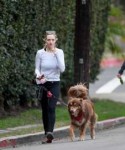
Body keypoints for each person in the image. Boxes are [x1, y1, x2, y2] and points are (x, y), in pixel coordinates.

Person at [35, 31, 65, 144]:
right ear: (45, 41)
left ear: (55, 40)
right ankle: (46, 134)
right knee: (45, 109)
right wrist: (38, 75)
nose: (50, 42)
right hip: (43, 84)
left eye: (52, 40)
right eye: (48, 40)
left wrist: (56, 54)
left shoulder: (60, 52)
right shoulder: (40, 53)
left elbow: (62, 69)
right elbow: (37, 68)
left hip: (55, 83)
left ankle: (50, 132)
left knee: (51, 107)